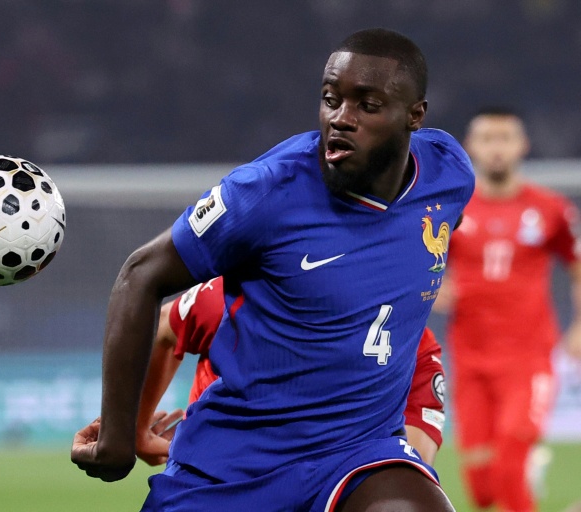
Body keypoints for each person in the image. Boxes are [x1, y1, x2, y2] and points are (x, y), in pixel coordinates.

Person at [72, 28, 475, 511]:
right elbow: (140, 274)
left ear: (415, 116)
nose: (340, 119)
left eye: (367, 105)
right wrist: (118, 439)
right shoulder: (266, 192)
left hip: (356, 455)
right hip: (234, 468)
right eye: (331, 99)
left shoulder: (449, 173)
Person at [434, 107, 581, 512]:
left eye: (505, 139)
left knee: (509, 467)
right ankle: (524, 469)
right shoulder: (453, 211)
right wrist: (433, 289)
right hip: (471, 356)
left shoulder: (549, 209)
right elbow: (421, 266)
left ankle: (522, 467)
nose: (496, 149)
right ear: (471, 147)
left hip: (529, 357)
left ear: (522, 146)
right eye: (487, 139)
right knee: (481, 492)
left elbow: (576, 264)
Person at [135, 277, 447, 467]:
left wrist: (133, 431)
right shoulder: (239, 295)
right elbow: (164, 326)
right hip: (210, 484)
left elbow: (411, 466)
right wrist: (136, 432)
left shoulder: (415, 348)